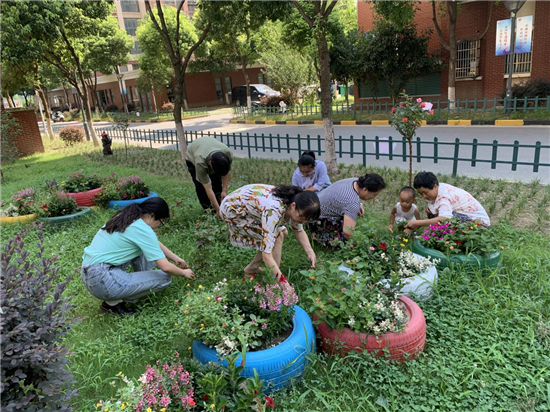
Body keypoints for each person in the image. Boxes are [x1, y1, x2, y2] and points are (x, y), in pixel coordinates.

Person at [81, 197, 194, 316]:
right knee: (165, 278)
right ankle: (120, 299)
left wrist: (175, 258)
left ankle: (114, 300)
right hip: (103, 280)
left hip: (89, 275)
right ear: (151, 215)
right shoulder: (143, 229)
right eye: (160, 222)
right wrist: (184, 273)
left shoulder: (125, 217)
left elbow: (152, 242)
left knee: (142, 248)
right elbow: (166, 267)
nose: (158, 226)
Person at [219, 184, 319, 283]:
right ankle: (274, 282)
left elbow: (299, 230)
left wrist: (310, 252)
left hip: (244, 205)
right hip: (233, 211)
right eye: (302, 217)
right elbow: (267, 255)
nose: (304, 221)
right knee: (278, 236)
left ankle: (252, 268)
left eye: (308, 219)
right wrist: (283, 283)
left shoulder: (294, 202)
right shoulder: (273, 210)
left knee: (281, 233)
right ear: (293, 206)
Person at [309, 173, 386, 248]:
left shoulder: (354, 181)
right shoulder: (352, 202)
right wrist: (359, 245)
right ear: (365, 189)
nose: (374, 197)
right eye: (374, 195)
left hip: (312, 207)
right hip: (316, 219)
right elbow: (348, 232)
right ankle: (317, 234)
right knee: (342, 243)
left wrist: (359, 204)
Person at [405, 171, 490, 231]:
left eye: (425, 192)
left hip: (479, 225)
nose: (424, 196)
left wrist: (418, 223)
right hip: (468, 219)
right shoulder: (439, 188)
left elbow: (444, 219)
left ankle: (446, 238)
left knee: (448, 220)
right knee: (431, 212)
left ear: (434, 186)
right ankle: (439, 234)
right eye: (421, 194)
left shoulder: (444, 196)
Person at [185, 137, 233, 216]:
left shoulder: (227, 153)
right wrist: (218, 210)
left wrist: (224, 190)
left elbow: (226, 171)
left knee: (217, 183)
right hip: (192, 157)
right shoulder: (200, 162)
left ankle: (220, 206)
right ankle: (208, 211)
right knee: (200, 187)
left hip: (208, 149)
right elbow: (208, 188)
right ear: (210, 163)